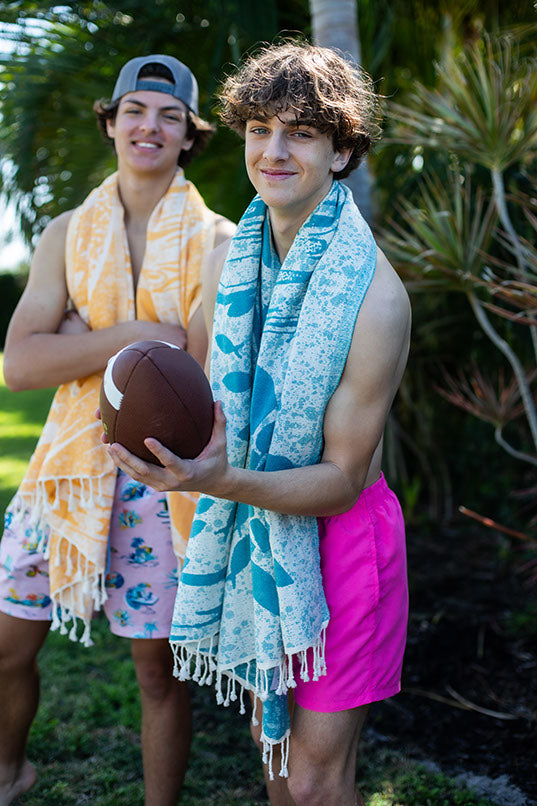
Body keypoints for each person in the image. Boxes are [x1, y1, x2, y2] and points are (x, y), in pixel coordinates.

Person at [108, 42, 410, 806]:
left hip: (340, 541)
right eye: (258, 128)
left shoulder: (373, 299)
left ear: (342, 150)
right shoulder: (226, 263)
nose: (272, 152)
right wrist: (157, 441)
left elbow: (341, 481)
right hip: (254, 529)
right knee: (270, 750)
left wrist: (220, 479)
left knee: (311, 779)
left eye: (301, 133)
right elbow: (203, 400)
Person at [0, 54, 235, 805]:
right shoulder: (66, 234)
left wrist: (80, 338)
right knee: (6, 650)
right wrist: (135, 332)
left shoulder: (217, 242)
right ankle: (9, 771)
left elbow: (193, 379)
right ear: (110, 123)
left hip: (160, 481)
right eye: (135, 109)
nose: (150, 126)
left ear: (188, 138)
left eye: (170, 116)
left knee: (156, 672)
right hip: (64, 470)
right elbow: (21, 364)